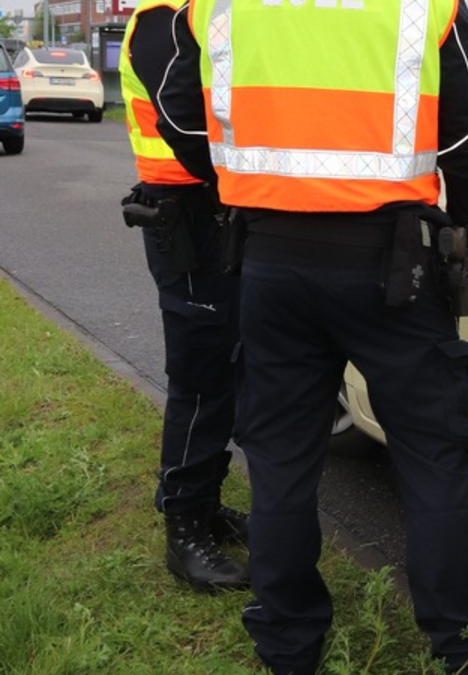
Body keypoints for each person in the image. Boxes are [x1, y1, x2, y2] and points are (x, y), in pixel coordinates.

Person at [146, 1, 468, 674]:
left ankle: (288, 645)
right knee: (431, 456)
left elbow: (177, 115)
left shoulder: (216, 5)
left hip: (269, 257)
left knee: (281, 462)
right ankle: (462, 642)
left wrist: (243, 183)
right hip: (396, 263)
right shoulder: (430, 5)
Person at [117, 0, 250, 594]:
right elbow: (188, 125)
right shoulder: (162, 17)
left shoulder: (204, 13)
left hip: (218, 210)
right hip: (191, 215)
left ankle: (204, 501)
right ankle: (184, 522)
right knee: (200, 375)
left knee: (227, 366)